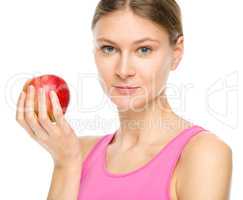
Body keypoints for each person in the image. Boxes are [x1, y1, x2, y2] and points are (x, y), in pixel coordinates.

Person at [16, 0, 232, 199]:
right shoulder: (77, 151)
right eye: (109, 49)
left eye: (144, 50)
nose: (123, 70)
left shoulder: (203, 153)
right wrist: (65, 164)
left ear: (176, 52)